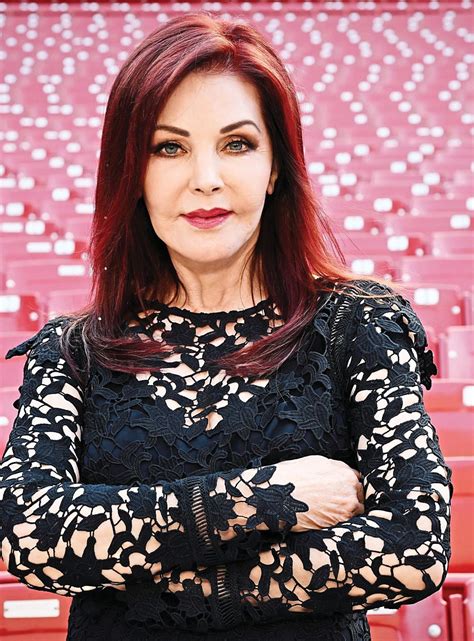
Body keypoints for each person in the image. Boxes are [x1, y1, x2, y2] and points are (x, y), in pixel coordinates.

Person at [0, 11, 452, 641]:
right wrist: (269, 496)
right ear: (133, 174)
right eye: (169, 147)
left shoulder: (360, 324)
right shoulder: (72, 350)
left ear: (275, 167)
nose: (205, 179)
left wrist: (168, 585)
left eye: (236, 144)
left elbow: (414, 546)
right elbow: (31, 536)